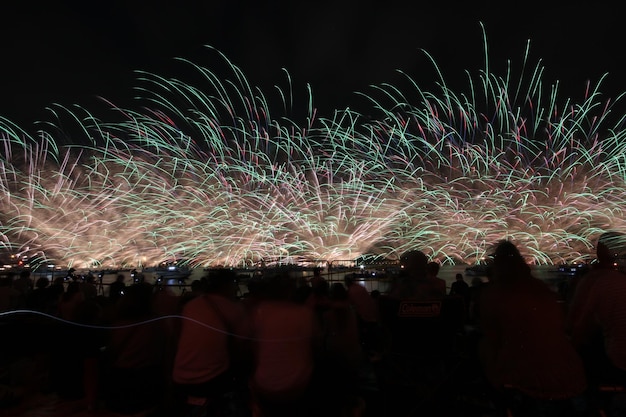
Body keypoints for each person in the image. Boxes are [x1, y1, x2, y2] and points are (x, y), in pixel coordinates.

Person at [478, 240, 587, 416]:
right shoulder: (543, 289)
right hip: (573, 379)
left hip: (530, 384)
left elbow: (492, 341)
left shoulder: (494, 294)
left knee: (482, 349)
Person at [172, 268, 252, 417]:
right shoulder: (234, 308)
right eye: (234, 283)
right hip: (211, 378)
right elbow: (244, 345)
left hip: (180, 376)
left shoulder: (191, 305)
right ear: (227, 285)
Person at [248, 272, 321, 417]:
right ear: (291, 292)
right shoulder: (305, 313)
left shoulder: (257, 312)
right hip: (299, 384)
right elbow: (317, 347)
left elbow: (250, 349)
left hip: (264, 384)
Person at [567, 232, 626, 387]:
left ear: (600, 253)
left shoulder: (596, 281)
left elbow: (578, 325)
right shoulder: (618, 278)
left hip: (618, 361)